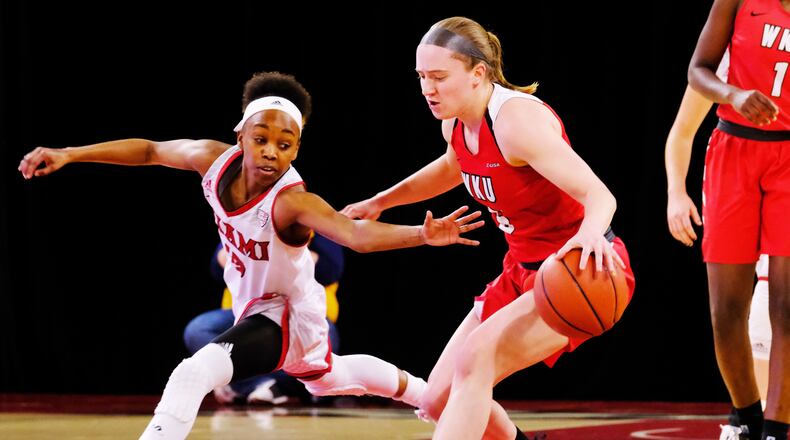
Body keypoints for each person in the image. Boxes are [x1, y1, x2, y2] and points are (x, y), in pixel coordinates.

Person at [18, 71, 486, 440]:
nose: (269, 153)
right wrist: (69, 153)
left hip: (284, 313)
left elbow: (354, 236)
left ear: (296, 149)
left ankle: (431, 396)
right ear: (240, 134)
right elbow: (150, 151)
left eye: (284, 146)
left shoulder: (292, 202)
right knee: (328, 376)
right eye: (260, 138)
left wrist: (422, 236)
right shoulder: (210, 159)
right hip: (259, 310)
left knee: (192, 374)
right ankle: (434, 397)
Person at [341, 17, 635, 440]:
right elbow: (452, 166)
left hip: (577, 270)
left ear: (478, 74)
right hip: (521, 270)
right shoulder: (456, 121)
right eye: (422, 76)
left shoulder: (516, 123)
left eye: (439, 77)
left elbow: (601, 197)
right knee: (436, 399)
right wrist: (381, 201)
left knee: (475, 361)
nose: (428, 89)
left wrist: (587, 234)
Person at [688, 0, 790, 438]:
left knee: (786, 306)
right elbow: (699, 68)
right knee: (726, 310)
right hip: (734, 151)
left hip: (788, 156)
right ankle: (745, 415)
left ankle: (776, 427)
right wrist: (733, 93)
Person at [664, 49, 772, 414]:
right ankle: (749, 420)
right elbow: (682, 131)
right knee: (755, 320)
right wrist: (676, 193)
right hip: (744, 183)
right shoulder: (734, 54)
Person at [183, 234, 344, 405]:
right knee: (198, 329)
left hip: (300, 313)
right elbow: (221, 261)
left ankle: (250, 385)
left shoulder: (315, 226)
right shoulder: (247, 222)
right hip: (247, 313)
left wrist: (261, 260)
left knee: (325, 350)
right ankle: (263, 385)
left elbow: (329, 270)